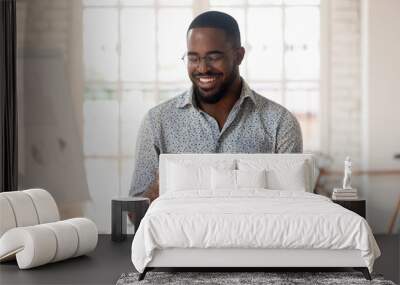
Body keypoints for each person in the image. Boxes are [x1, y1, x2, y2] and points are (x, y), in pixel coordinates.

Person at [129, 11, 302, 202]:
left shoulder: (279, 123)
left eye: (213, 57)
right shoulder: (157, 122)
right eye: (193, 58)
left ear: (239, 56)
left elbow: (293, 207)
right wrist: (165, 185)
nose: (203, 68)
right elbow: (134, 212)